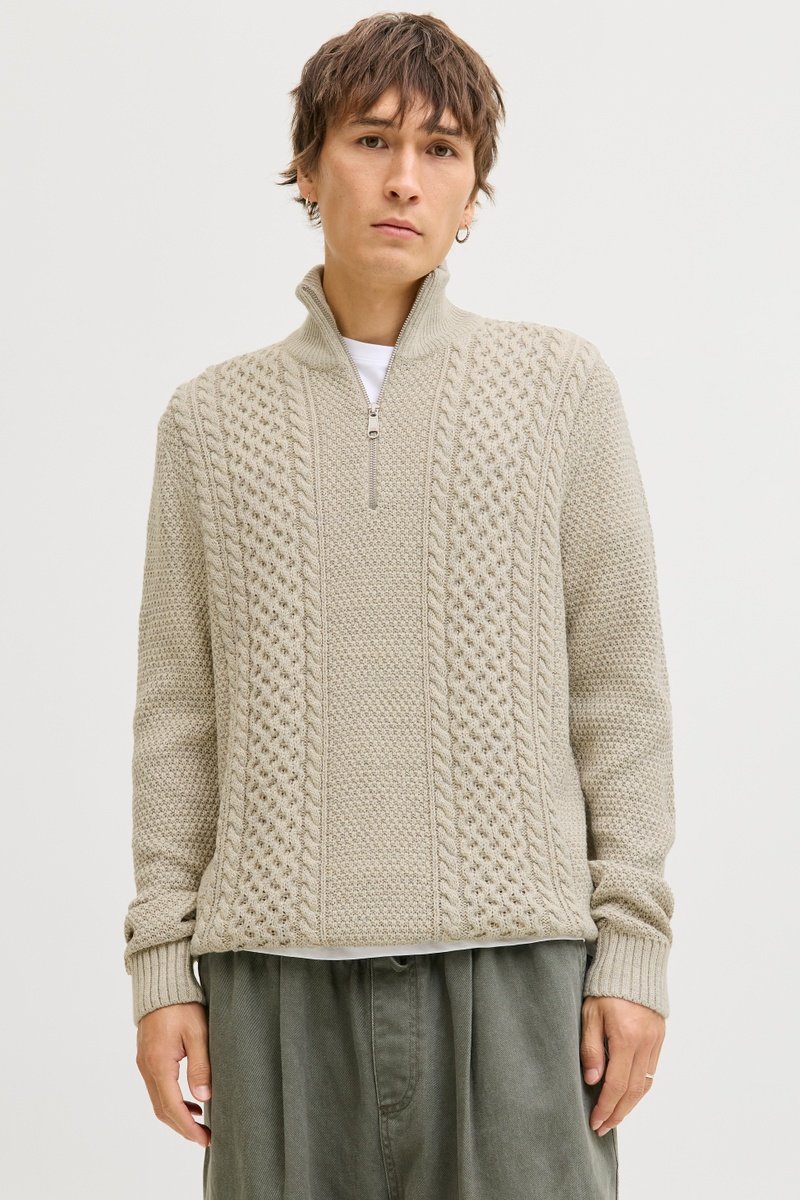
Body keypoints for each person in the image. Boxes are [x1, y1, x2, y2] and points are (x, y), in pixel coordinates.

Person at [123, 13, 675, 1199]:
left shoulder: (558, 388)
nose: (403, 179)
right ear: (307, 166)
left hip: (520, 972)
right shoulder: (208, 422)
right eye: (371, 139)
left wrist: (632, 949)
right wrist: (161, 969)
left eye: (441, 150)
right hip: (272, 976)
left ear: (473, 192)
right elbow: (178, 717)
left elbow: (619, 688)